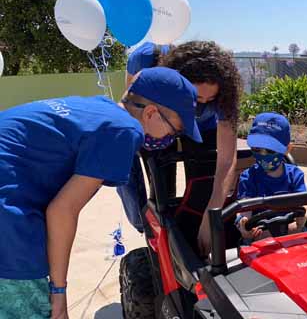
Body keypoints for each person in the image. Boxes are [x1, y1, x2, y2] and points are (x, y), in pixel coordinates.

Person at [0, 67, 201, 319]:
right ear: (151, 113)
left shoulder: (96, 109)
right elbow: (62, 210)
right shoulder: (124, 131)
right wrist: (59, 292)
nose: (171, 138)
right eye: (175, 130)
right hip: (9, 227)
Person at [117, 41, 241, 254]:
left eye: (209, 100)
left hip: (203, 131)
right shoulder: (145, 58)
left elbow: (227, 160)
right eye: (196, 98)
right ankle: (162, 249)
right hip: (160, 121)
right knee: (162, 190)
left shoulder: (224, 92)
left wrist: (212, 215)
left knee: (203, 188)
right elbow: (131, 107)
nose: (201, 104)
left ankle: (196, 242)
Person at [235, 113, 307, 242]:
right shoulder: (248, 177)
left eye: (270, 151)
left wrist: (302, 219)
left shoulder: (295, 175)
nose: (263, 155)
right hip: (260, 238)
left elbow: (304, 204)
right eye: (257, 149)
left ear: (287, 149)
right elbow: (244, 210)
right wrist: (244, 226)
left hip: (292, 234)